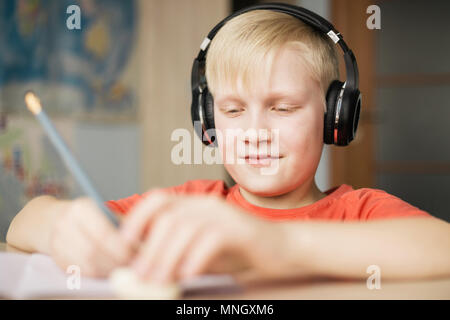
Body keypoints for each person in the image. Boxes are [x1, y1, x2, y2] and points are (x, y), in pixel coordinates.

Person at [6, 6, 450, 284]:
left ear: (334, 117)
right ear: (208, 120)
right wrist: (62, 224)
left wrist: (276, 244)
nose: (255, 130)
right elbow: (22, 224)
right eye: (234, 111)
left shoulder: (359, 212)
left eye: (282, 107)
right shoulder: (192, 206)